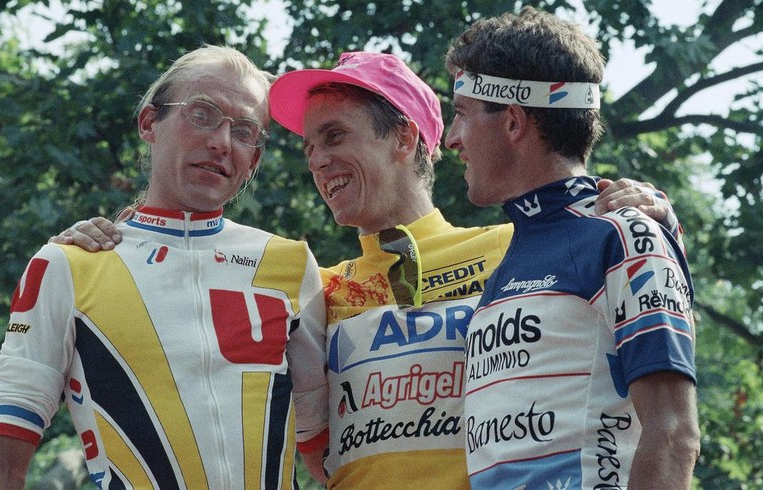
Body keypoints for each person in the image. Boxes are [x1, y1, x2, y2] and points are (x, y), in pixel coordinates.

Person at [55, 52, 682, 488]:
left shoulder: (515, 249)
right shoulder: (314, 289)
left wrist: (656, 212)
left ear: (404, 138)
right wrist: (99, 241)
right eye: (306, 148)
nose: (317, 162)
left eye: (333, 137)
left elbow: (634, 304)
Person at [0, 45, 328, 489]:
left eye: (246, 131)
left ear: (255, 158)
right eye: (202, 114)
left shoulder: (292, 264)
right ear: (150, 123)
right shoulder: (68, 265)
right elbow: (3, 455)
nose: (221, 142)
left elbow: (328, 450)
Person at [445, 7, 699, 488]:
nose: (451, 139)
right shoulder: (512, 256)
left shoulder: (622, 235)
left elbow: (673, 435)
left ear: (514, 122)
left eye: (460, 114)